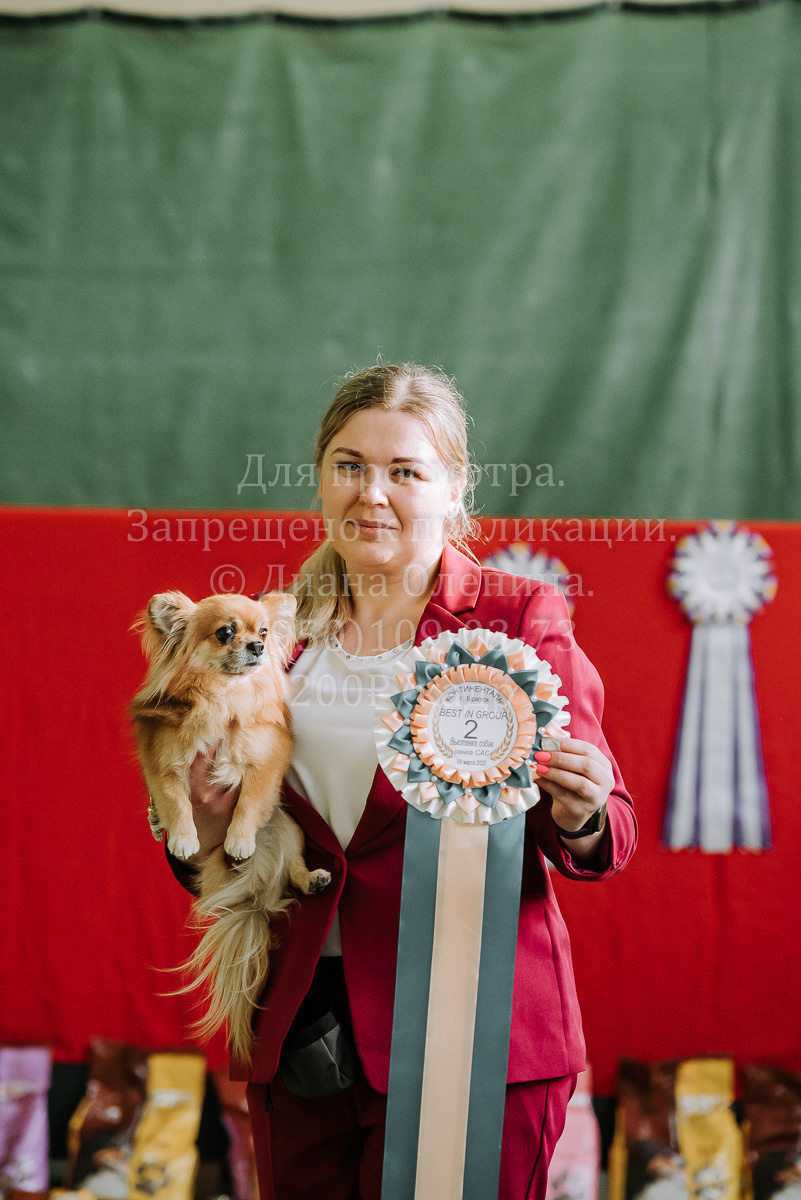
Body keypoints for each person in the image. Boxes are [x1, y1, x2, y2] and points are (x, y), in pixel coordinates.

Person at [170, 363, 637, 1200]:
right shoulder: (273, 629)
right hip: (301, 1027)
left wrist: (582, 812)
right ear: (320, 477)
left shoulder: (516, 615)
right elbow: (227, 838)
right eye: (349, 465)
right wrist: (202, 829)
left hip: (475, 1038)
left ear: (453, 487)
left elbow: (606, 837)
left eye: (404, 471)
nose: (371, 493)